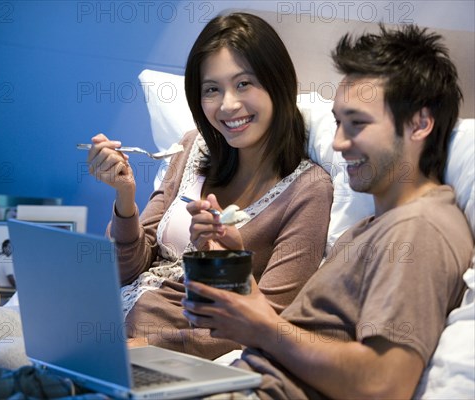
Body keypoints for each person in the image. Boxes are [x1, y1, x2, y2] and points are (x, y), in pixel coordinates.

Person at [181, 24, 474, 398]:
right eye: (338, 123)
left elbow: (385, 384)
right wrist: (234, 258)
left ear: (420, 124)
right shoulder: (374, 227)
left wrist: (265, 328)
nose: (337, 143)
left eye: (358, 124)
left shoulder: (417, 229)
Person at [86, 12, 333, 360]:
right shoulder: (192, 147)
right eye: (212, 89)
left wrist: (147, 348)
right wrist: (124, 198)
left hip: (148, 354)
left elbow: (271, 322)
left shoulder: (308, 191)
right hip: (93, 320)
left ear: (277, 83)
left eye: (244, 83)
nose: (228, 104)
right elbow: (127, 271)